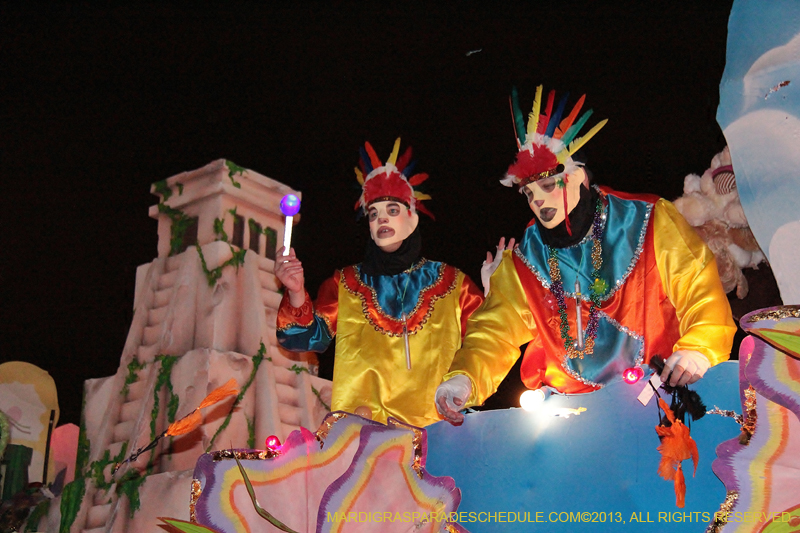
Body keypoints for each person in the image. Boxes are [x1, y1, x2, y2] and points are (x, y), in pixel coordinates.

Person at [436, 86, 736, 424]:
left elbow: (700, 288)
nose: (539, 202)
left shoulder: (648, 219)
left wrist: (698, 348)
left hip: (659, 400)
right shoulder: (524, 260)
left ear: (577, 176)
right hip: (568, 419)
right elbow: (494, 331)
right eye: (529, 193)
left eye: (549, 186)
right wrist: (465, 377)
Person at [276, 138, 484, 427]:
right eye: (374, 214)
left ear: (411, 217)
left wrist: (498, 291)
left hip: (437, 431)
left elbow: (487, 343)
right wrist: (296, 291)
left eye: (392, 210)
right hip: (364, 436)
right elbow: (301, 339)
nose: (381, 219)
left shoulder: (453, 283)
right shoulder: (345, 283)